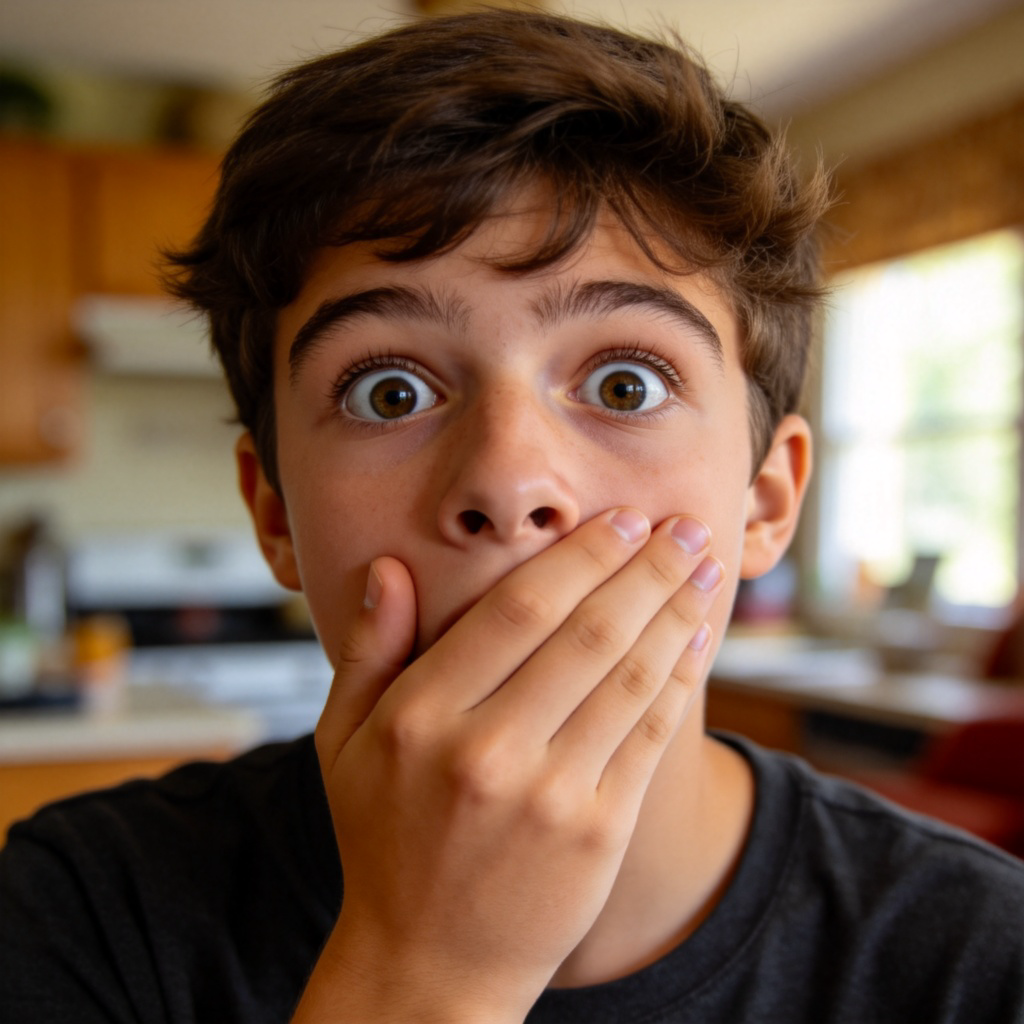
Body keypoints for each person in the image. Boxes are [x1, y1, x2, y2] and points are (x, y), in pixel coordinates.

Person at [2, 9, 1022, 1023]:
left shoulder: (985, 962)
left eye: (625, 384)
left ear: (766, 499)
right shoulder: (78, 908)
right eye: (388, 391)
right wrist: (423, 965)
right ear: (274, 513)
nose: (505, 479)